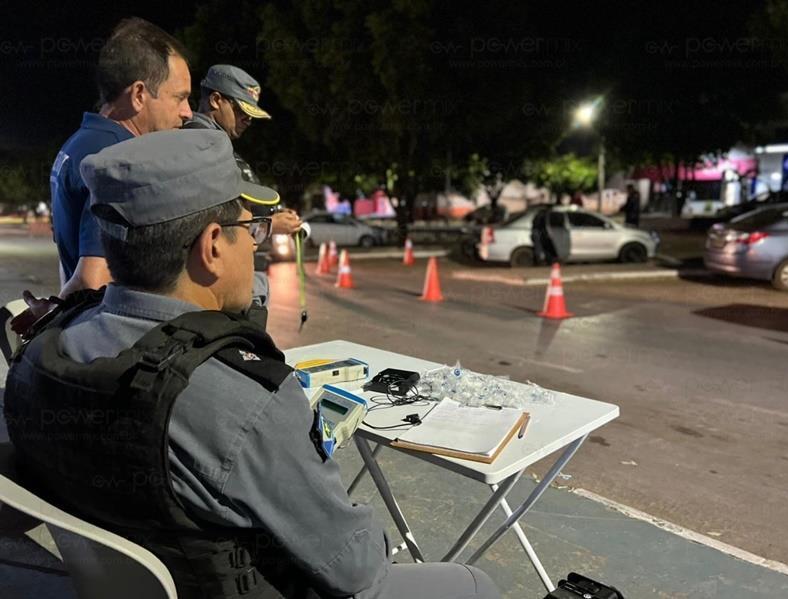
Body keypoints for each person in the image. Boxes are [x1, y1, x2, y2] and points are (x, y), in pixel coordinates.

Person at [4, 129, 501, 599]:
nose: (257, 248)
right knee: (474, 582)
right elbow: (357, 572)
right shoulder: (247, 403)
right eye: (252, 229)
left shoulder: (45, 344)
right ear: (214, 245)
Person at [12, 18, 192, 333]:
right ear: (139, 94)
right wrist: (50, 323)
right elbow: (93, 280)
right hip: (108, 342)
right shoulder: (119, 160)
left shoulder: (80, 142)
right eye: (180, 97)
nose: (188, 112)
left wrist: (53, 309)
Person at [184, 64, 302, 314]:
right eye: (241, 110)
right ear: (216, 100)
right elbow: (211, 221)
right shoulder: (204, 145)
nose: (248, 120)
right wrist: (269, 225)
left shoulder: (211, 141)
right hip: (209, 283)